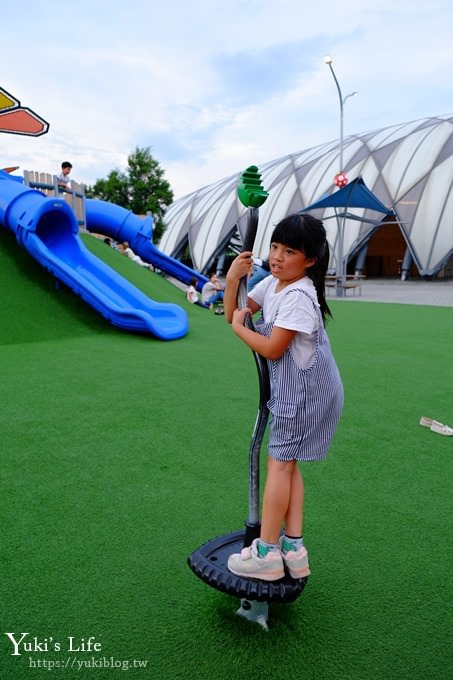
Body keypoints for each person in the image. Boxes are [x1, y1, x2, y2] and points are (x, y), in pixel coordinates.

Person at [224, 213, 344, 581]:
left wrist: (237, 329)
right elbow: (236, 310)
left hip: (305, 392)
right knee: (288, 465)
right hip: (308, 388)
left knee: (279, 464)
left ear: (309, 260)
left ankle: (266, 553)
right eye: (275, 246)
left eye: (289, 250)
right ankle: (293, 547)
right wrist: (232, 279)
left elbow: (273, 348)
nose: (277, 256)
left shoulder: (298, 295)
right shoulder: (274, 284)